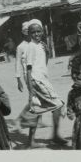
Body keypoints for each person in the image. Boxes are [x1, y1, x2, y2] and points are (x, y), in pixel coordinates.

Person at [25, 19, 67, 148]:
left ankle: (31, 141)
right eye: (33, 32)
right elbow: (28, 69)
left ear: (42, 32)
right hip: (37, 81)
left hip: (42, 79)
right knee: (59, 105)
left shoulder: (40, 45)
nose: (36, 34)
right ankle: (55, 135)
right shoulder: (31, 47)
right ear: (29, 34)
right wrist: (30, 89)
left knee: (36, 109)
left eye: (39, 31)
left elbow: (43, 64)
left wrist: (47, 52)